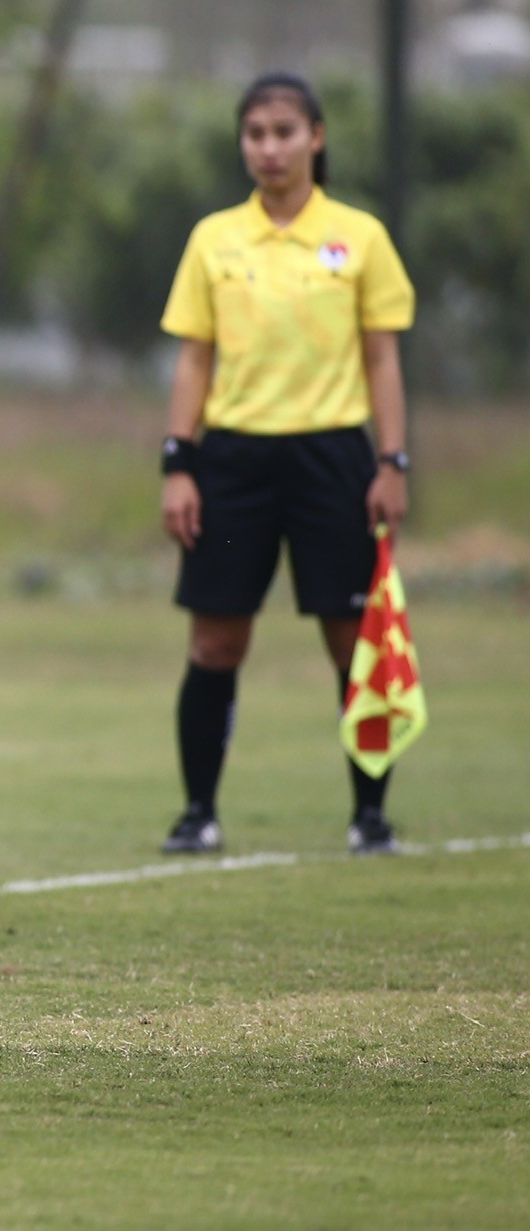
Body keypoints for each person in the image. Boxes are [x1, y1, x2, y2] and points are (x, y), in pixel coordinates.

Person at [156, 73, 413, 857]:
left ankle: (369, 815)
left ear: (317, 137)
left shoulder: (359, 237)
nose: (269, 148)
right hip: (234, 460)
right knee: (216, 644)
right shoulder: (215, 239)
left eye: (283, 132)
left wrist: (393, 460)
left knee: (351, 641)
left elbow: (381, 356)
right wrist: (179, 462)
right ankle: (198, 812)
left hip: (332, 456)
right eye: (255, 134)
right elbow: (194, 361)